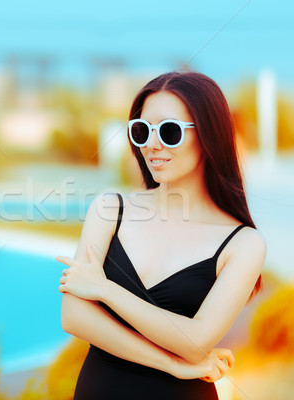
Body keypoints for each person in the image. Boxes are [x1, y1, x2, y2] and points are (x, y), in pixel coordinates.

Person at [56, 71, 266, 400]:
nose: (151, 145)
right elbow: (75, 317)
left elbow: (196, 344)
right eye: (142, 131)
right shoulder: (110, 209)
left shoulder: (244, 243)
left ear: (209, 136)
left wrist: (105, 289)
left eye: (169, 132)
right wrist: (171, 363)